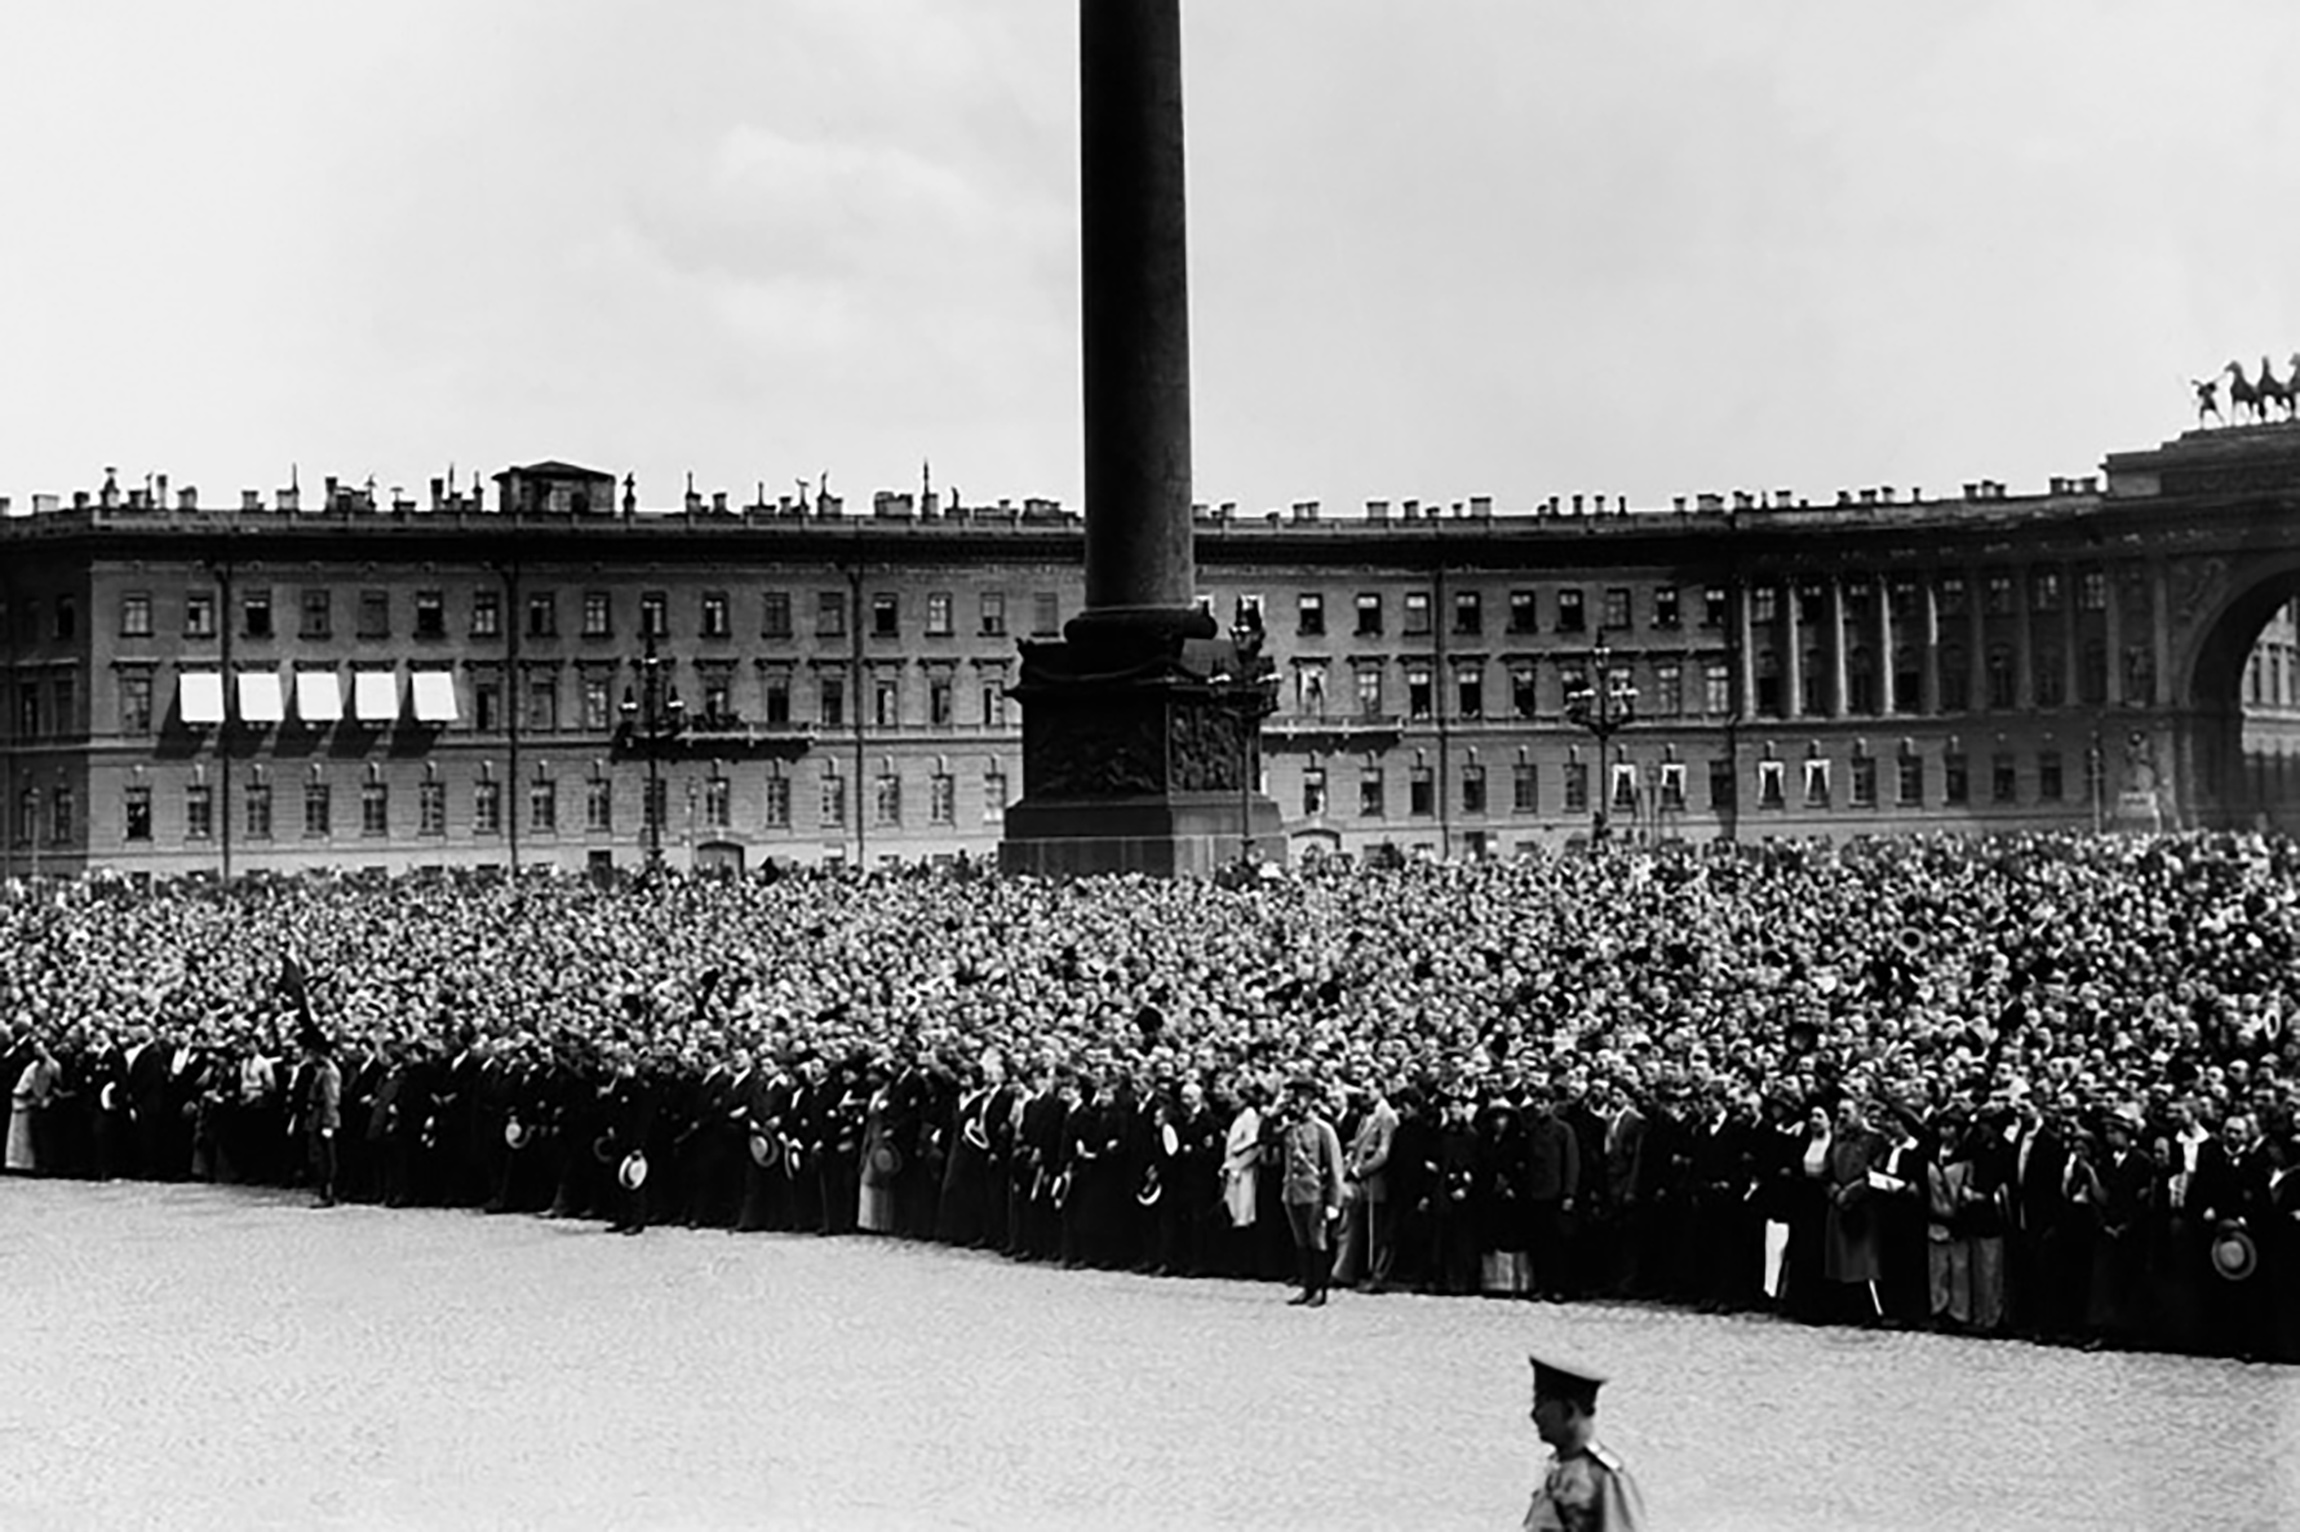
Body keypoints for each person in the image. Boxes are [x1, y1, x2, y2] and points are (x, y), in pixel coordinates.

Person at [1522, 1354, 1646, 1531]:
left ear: (1569, 1411)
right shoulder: (1556, 1469)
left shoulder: (1603, 1476)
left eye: (1542, 1405)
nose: (1534, 1415)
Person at [1275, 1074, 1345, 1306]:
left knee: (1317, 1241)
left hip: (1315, 1192)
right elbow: (1265, 1138)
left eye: (1300, 1097)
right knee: (1301, 1241)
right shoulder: (1290, 1128)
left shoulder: (1323, 1129)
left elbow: (1335, 1168)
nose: (1295, 1101)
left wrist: (1334, 1202)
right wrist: (1274, 1113)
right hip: (1293, 1191)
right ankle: (1307, 1286)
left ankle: (1320, 1290)